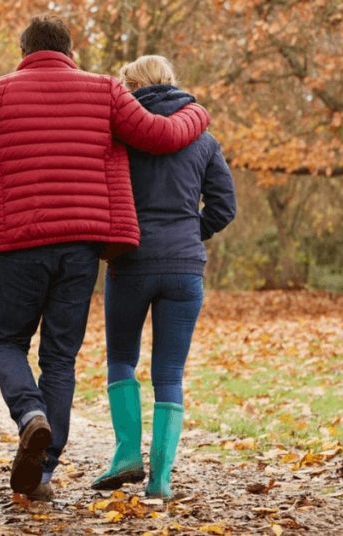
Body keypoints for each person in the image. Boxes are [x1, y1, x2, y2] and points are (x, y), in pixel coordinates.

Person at [0, 15, 212, 500]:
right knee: (60, 357)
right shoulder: (104, 90)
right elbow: (162, 136)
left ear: (24, 53)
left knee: (5, 341)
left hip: (19, 243)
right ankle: (43, 470)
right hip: (82, 246)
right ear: (70, 52)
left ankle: (29, 415)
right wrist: (199, 113)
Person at [90, 55, 236, 498]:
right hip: (184, 268)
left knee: (121, 359)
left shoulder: (120, 138)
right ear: (172, 81)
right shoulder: (204, 141)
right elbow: (224, 208)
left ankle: (126, 453)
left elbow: (101, 197)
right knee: (169, 372)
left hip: (131, 263)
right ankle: (161, 479)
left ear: (130, 87)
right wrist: (190, 232)